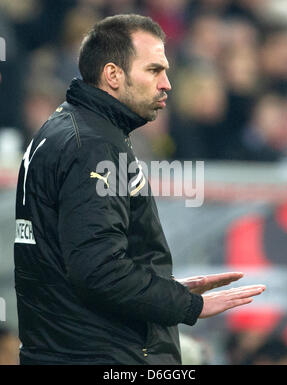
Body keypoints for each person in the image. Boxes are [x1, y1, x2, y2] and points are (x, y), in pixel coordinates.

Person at [14, 14, 265, 365]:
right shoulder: (93, 145)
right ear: (113, 75)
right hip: (98, 355)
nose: (167, 84)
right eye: (153, 70)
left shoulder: (66, 126)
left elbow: (83, 257)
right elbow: (98, 270)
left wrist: (165, 289)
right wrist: (190, 305)